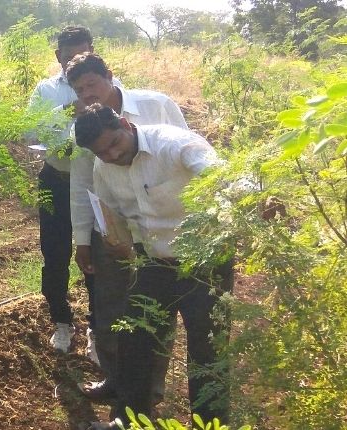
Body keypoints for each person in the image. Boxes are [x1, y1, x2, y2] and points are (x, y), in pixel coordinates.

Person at [73, 104, 231, 429]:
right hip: (153, 263)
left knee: (207, 351)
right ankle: (129, 420)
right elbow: (111, 215)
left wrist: (255, 201)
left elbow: (221, 177)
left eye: (114, 143)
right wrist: (117, 241)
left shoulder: (174, 144)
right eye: (102, 153)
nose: (112, 155)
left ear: (126, 125)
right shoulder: (104, 167)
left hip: (206, 262)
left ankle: (210, 425)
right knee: (136, 340)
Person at [66, 53, 188, 405]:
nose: (87, 94)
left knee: (154, 318)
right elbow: (81, 184)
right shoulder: (82, 127)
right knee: (109, 310)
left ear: (109, 76)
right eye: (79, 89)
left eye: (92, 84)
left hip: (171, 234)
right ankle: (116, 381)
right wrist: (82, 238)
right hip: (115, 232)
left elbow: (191, 157)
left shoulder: (157, 105)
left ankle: (148, 391)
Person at [28, 26, 122, 359]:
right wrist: (68, 113)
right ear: (58, 56)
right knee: (54, 254)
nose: (74, 63)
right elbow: (30, 132)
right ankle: (61, 322)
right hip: (56, 177)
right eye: (68, 57)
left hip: (98, 184)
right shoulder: (46, 90)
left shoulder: (110, 88)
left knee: (97, 255)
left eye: (81, 54)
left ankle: (97, 329)